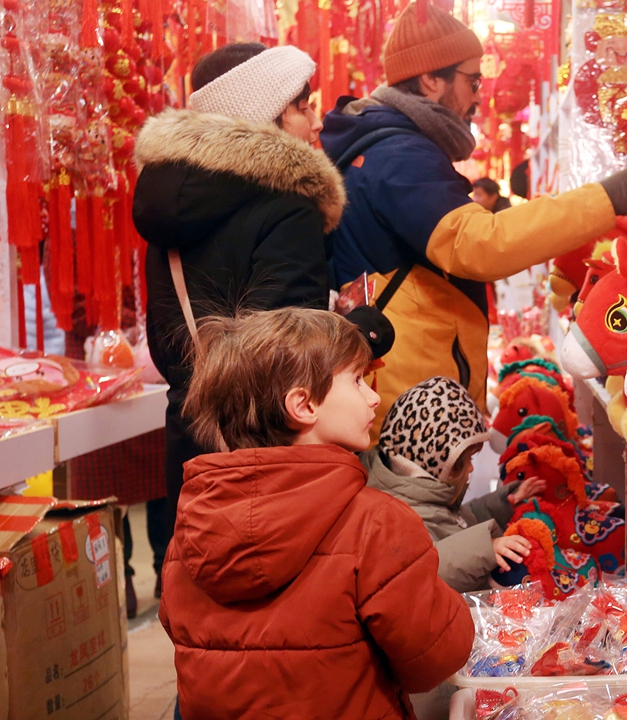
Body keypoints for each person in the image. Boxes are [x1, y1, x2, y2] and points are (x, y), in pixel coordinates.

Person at [320, 1, 627, 431]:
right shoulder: (400, 155)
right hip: (406, 401)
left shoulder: (392, 147)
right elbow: (478, 244)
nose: (478, 95)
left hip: (405, 386)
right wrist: (603, 199)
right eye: (472, 80)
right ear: (433, 79)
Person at [133, 43, 392, 581]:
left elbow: (174, 336)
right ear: (267, 114)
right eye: (303, 105)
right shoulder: (286, 204)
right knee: (286, 620)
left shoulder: (169, 204)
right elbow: (287, 354)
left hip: (191, 442)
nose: (317, 120)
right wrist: (358, 332)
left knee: (206, 623)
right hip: (266, 456)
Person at [159, 308, 473, 719]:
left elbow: (178, 627)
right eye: (358, 380)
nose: (374, 396)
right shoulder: (375, 523)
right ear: (303, 405)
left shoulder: (190, 529)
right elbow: (435, 656)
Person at [362, 376, 547, 593]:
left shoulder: (424, 492)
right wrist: (485, 549)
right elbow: (423, 573)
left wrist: (504, 503)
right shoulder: (395, 515)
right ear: (435, 459)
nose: (471, 469)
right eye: (463, 462)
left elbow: (458, 521)